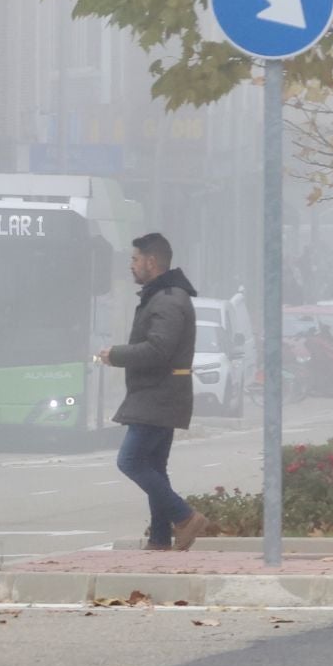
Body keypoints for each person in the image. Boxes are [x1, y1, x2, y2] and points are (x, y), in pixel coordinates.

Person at [97, 233, 211, 551]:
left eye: (135, 259)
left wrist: (115, 355)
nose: (131, 265)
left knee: (130, 460)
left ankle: (185, 517)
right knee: (155, 465)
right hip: (160, 393)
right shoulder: (163, 296)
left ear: (151, 261)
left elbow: (159, 349)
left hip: (158, 394)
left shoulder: (168, 299)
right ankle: (160, 538)